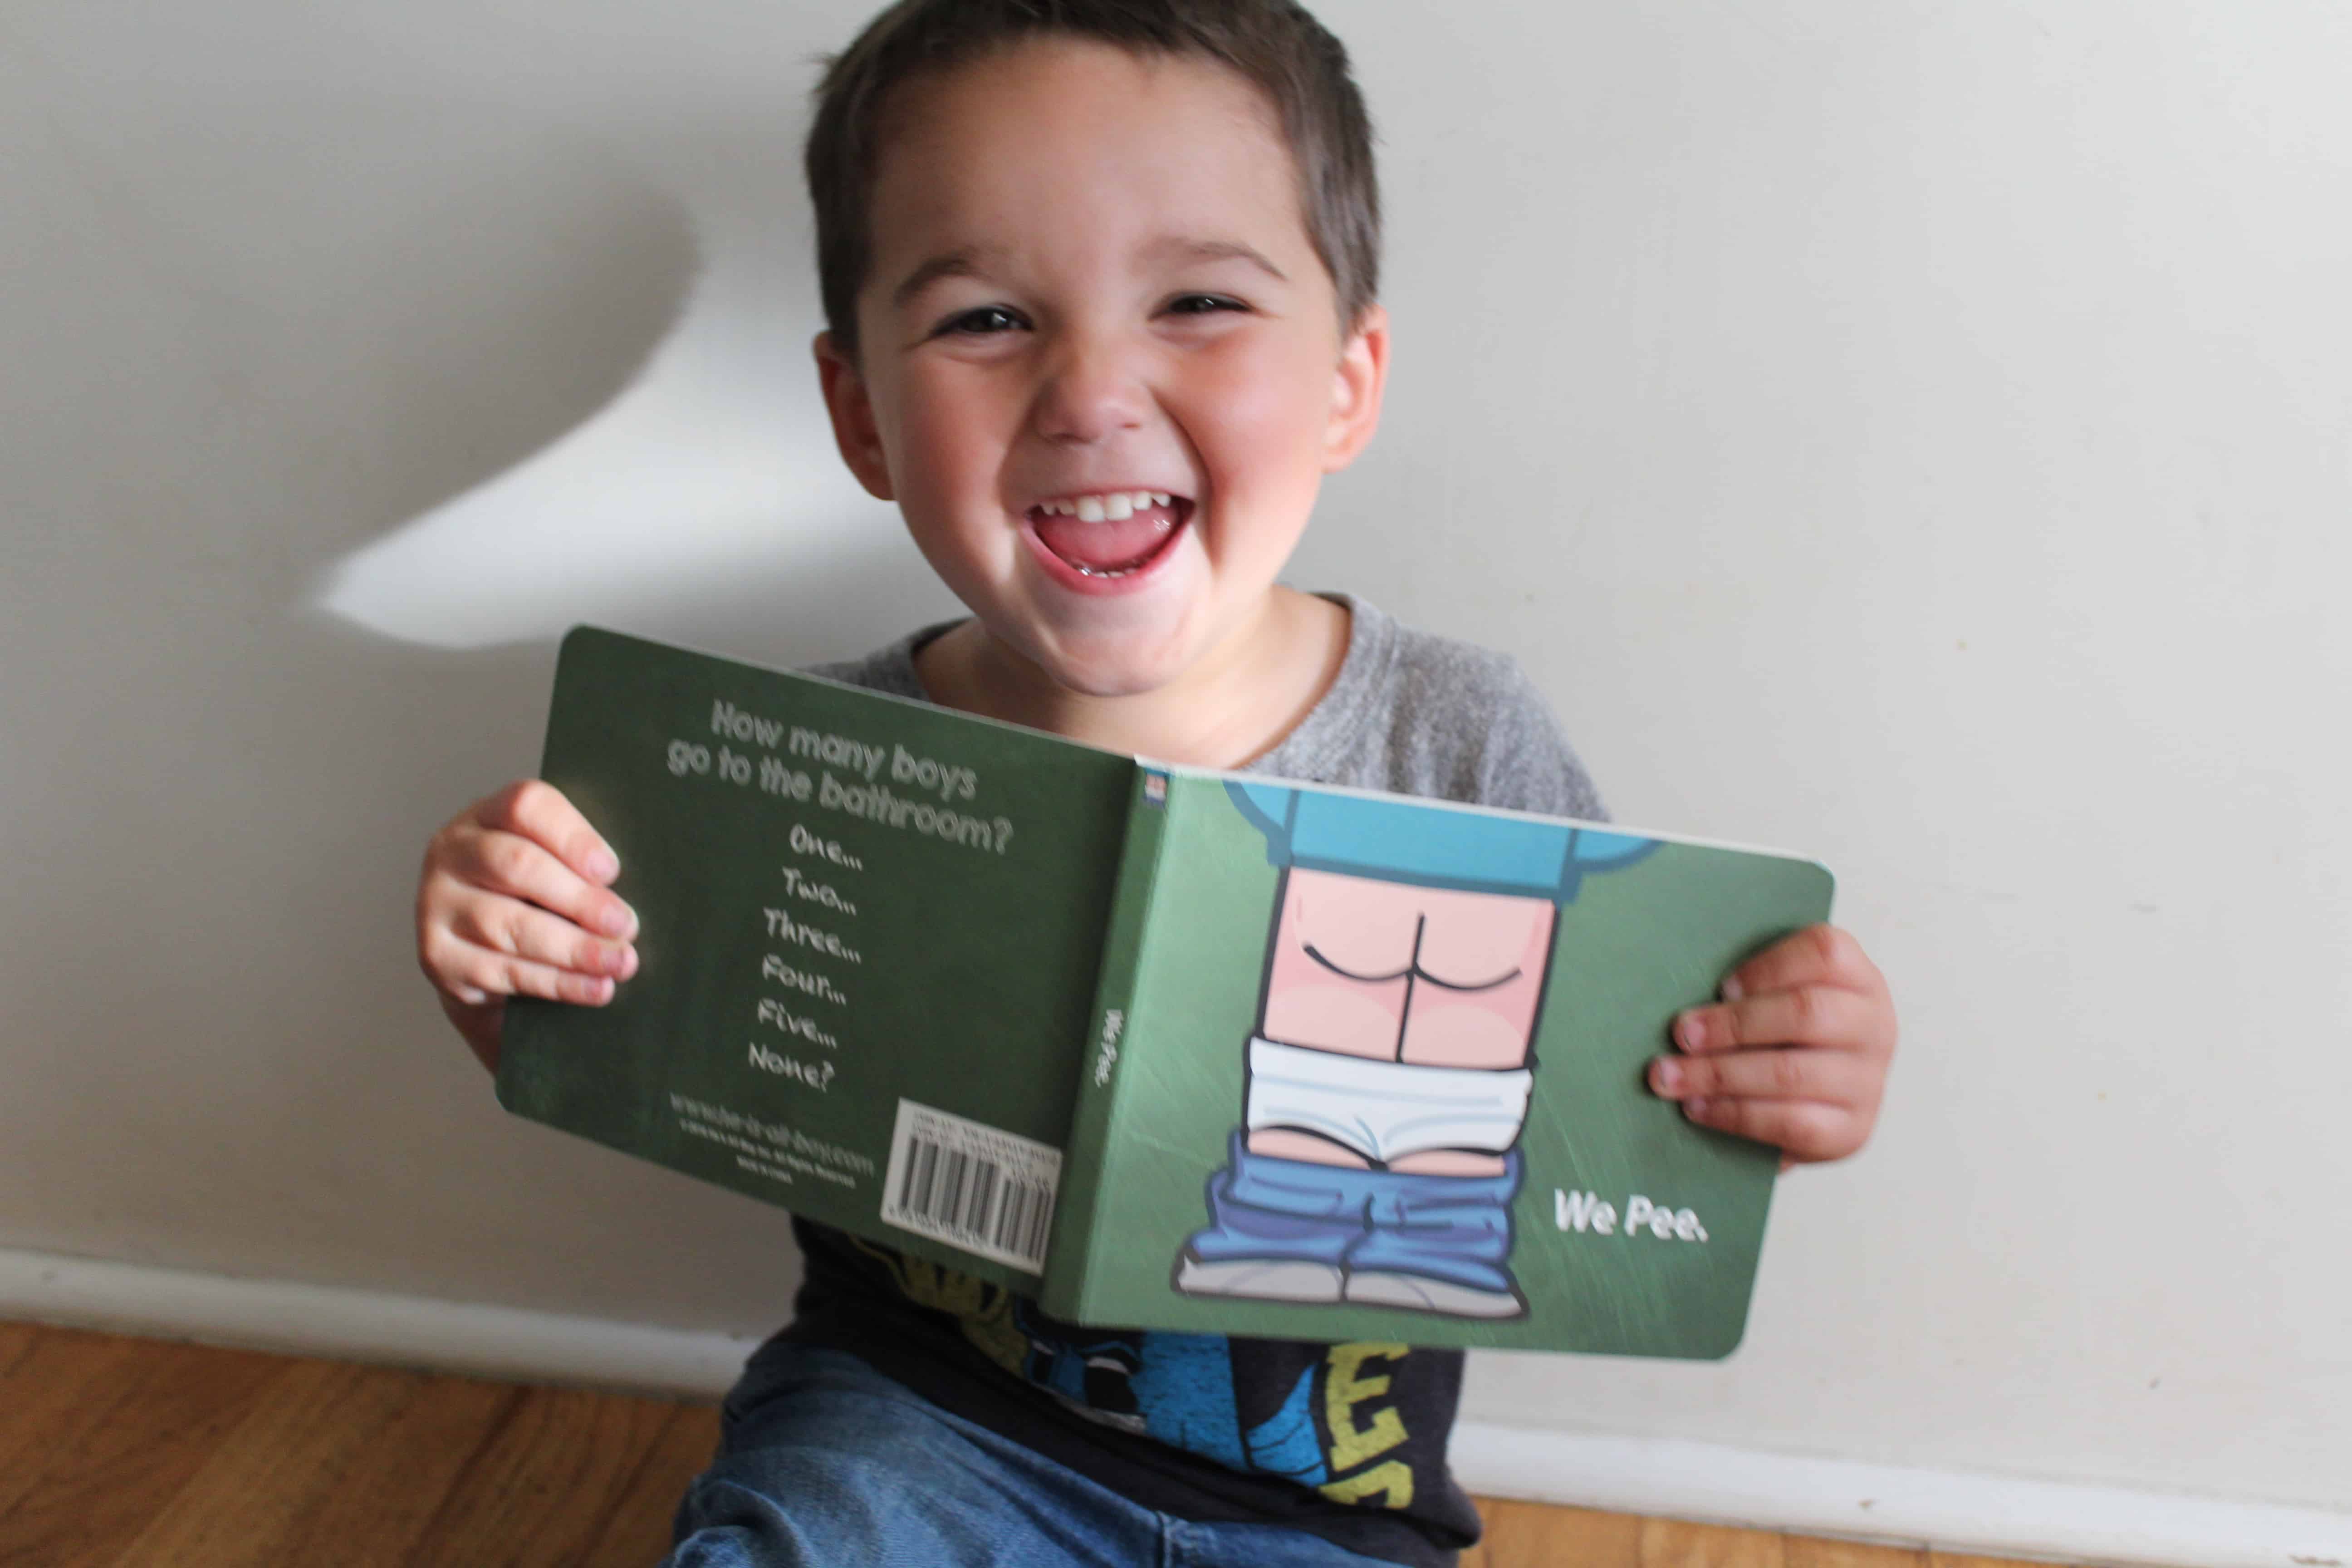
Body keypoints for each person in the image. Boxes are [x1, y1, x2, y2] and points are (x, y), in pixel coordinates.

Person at [413, 3, 1899, 1563]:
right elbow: (606, 1034)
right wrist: (514, 962)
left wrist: (1784, 1073)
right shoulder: (806, 758)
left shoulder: (1464, 740)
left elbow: (1625, 1111)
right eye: (987, 318)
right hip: (914, 1432)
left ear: (1347, 380)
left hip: (1317, 1505)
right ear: (861, 412)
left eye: (1197, 299)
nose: (1089, 393)